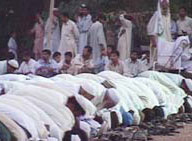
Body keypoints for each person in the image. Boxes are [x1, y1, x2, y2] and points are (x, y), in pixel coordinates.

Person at [147, 0, 172, 65]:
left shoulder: (168, 15)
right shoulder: (156, 14)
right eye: (163, 3)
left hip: (167, 40)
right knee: (157, 59)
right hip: (158, 40)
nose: (165, 4)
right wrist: (153, 40)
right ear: (160, 4)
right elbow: (150, 27)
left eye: (166, 3)